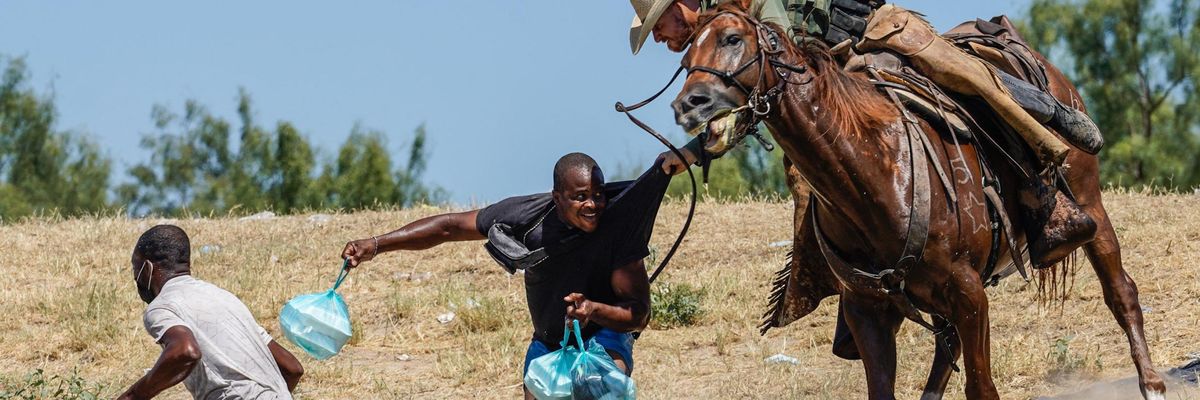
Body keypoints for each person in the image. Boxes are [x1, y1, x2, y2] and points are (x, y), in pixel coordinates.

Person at [340, 153, 673, 399]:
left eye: (598, 194)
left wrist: (593, 309)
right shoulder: (525, 216)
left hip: (604, 336)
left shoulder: (618, 227)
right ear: (557, 197)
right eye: (580, 196)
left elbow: (638, 316)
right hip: (549, 342)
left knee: (602, 387)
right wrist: (376, 244)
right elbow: (448, 227)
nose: (593, 204)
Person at [119, 225, 303, 400]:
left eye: (136, 269)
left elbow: (185, 351)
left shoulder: (162, 305)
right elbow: (292, 368)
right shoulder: (225, 299)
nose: (136, 278)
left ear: (148, 268)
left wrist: (134, 396)